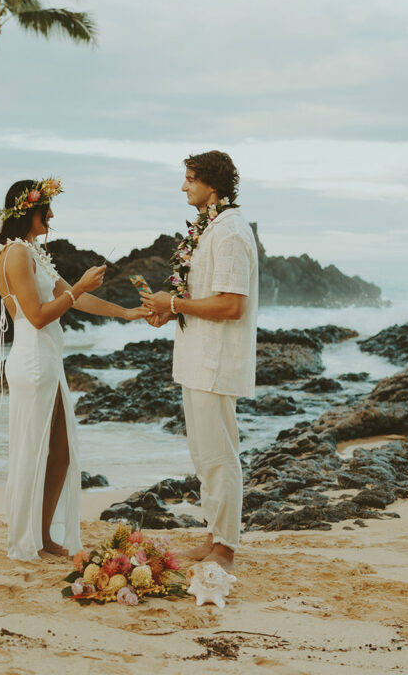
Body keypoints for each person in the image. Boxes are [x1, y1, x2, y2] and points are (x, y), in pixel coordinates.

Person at [0, 177, 147, 562]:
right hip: (33, 360)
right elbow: (39, 316)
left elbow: (74, 300)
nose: (53, 215)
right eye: (47, 209)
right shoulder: (15, 254)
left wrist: (126, 313)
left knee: (60, 452)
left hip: (47, 360)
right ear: (28, 210)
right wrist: (77, 287)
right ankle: (29, 540)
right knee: (33, 451)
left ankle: (42, 537)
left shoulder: (30, 252)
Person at [140, 150, 258, 570]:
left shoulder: (228, 232)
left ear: (212, 185)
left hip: (216, 359)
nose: (184, 186)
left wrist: (174, 301)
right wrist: (171, 309)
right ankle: (214, 536)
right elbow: (207, 297)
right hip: (198, 358)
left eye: (191, 178)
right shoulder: (210, 227)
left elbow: (231, 305)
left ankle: (225, 547)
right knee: (205, 454)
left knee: (220, 453)